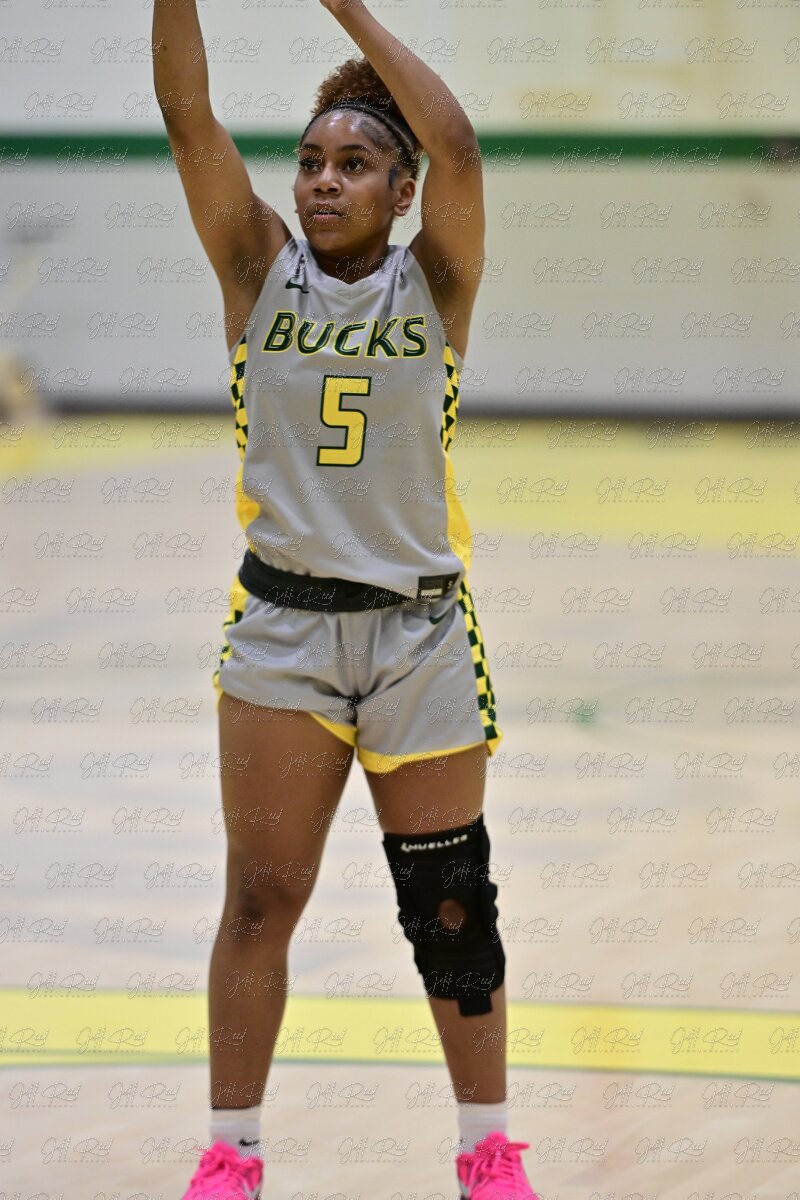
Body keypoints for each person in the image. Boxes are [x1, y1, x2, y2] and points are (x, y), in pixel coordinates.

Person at [153, 1, 538, 1197]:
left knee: (449, 903)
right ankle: (231, 1154)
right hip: (283, 631)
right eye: (311, 161)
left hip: (418, 635)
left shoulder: (437, 283)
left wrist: (344, 8)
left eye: (354, 164)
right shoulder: (255, 269)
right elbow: (186, 114)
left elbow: (458, 143)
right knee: (259, 898)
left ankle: (485, 1152)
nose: (323, 181)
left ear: (400, 190)